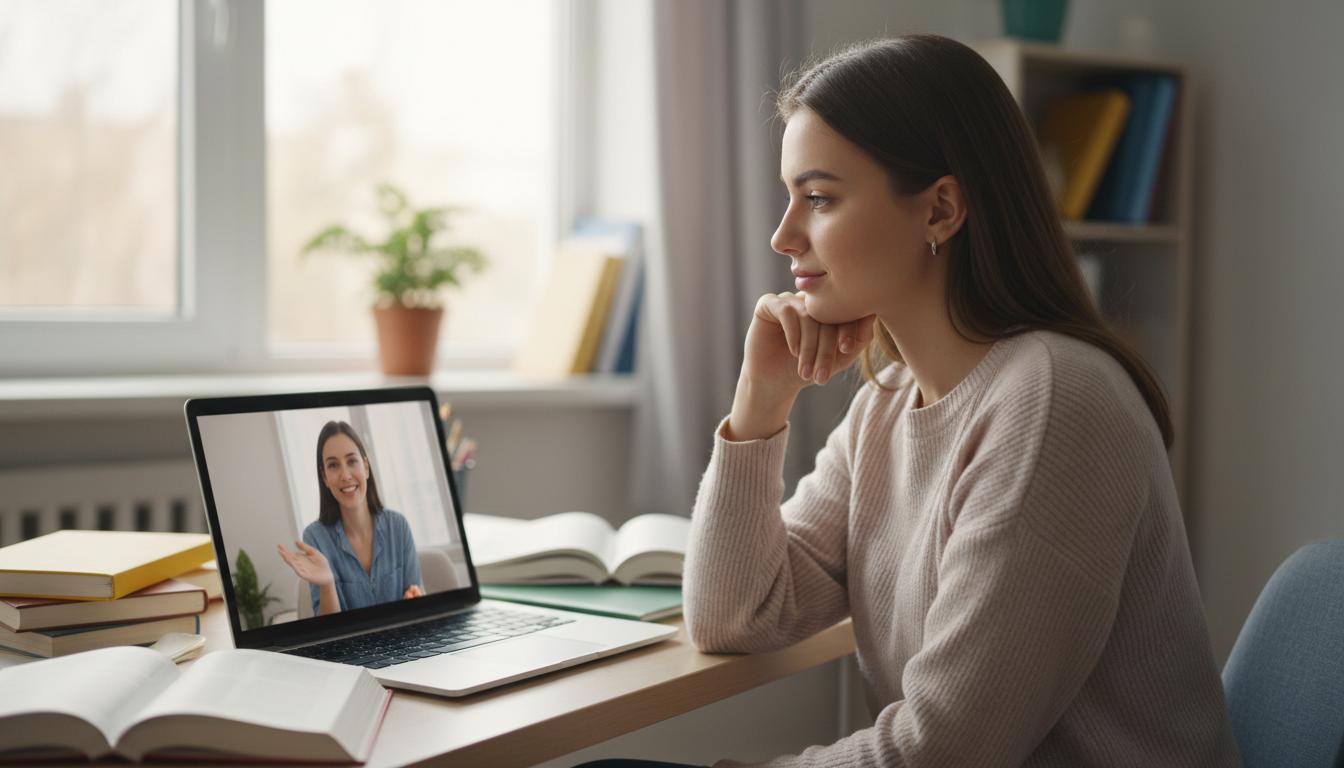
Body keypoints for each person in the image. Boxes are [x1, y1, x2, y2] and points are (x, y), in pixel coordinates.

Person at [674, 35, 1241, 767]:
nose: (784, 236)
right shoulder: (887, 405)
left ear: (941, 209)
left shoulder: (1053, 402)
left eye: (818, 198)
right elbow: (734, 617)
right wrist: (759, 402)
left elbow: (944, 752)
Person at [278, 420, 424, 616]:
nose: (345, 475)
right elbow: (329, 631)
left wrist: (415, 601)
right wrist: (327, 584)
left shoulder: (398, 526)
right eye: (333, 465)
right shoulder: (315, 538)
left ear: (366, 467)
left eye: (352, 461)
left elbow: (417, 599)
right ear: (324, 477)